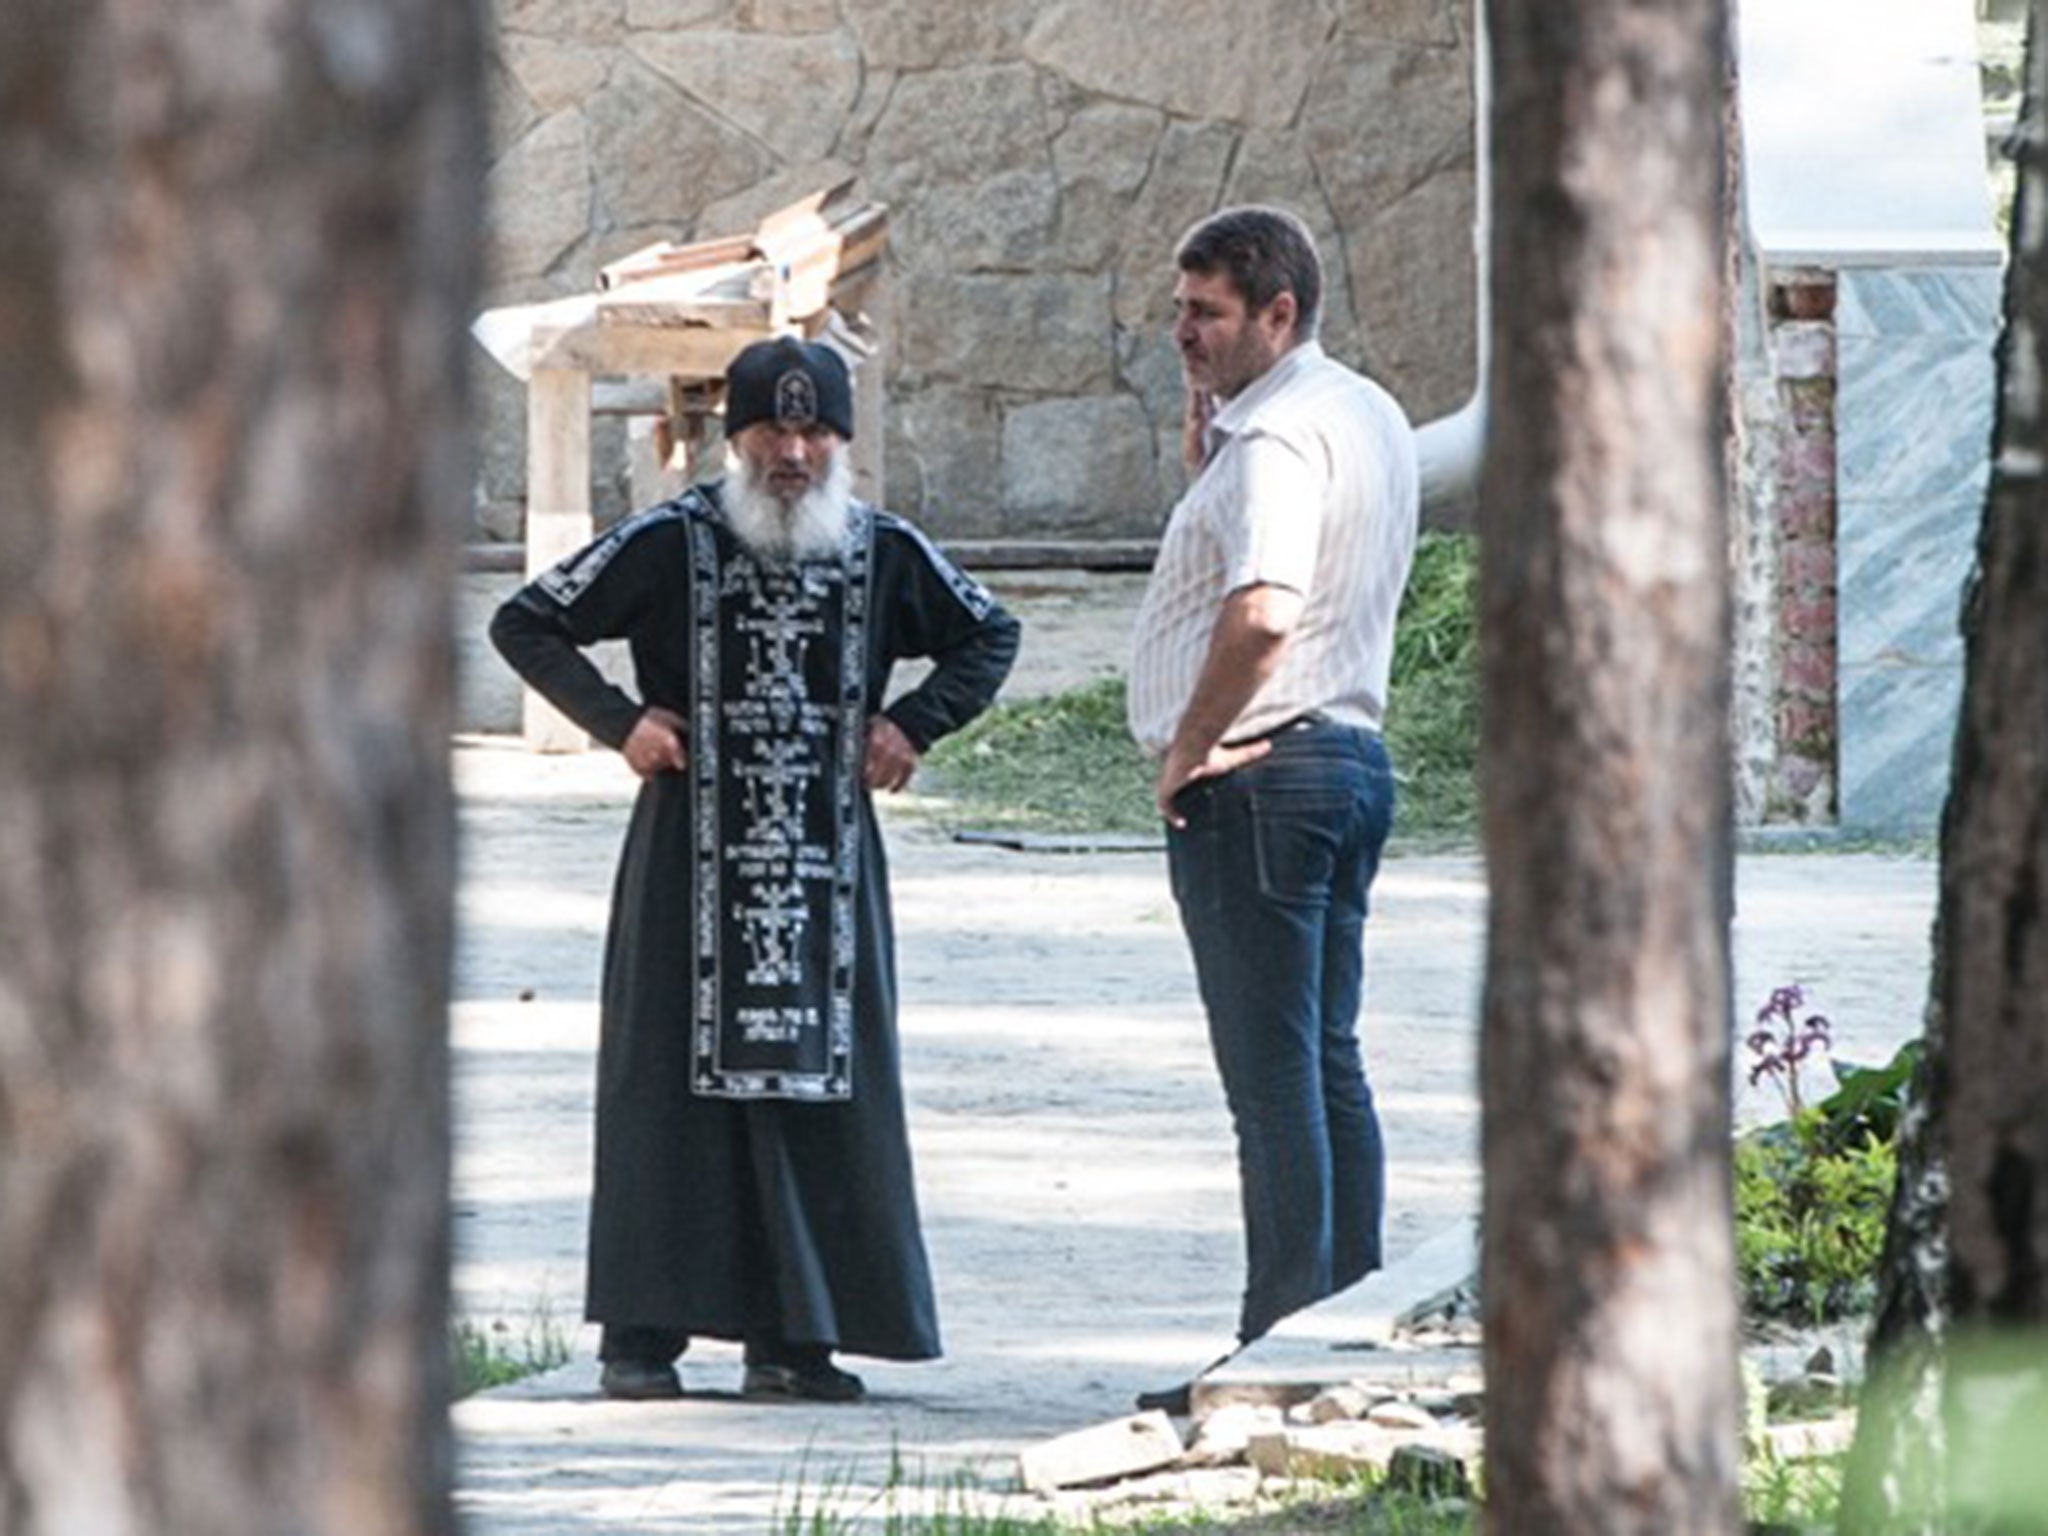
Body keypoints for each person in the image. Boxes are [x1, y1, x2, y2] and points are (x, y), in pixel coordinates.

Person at [491, 336, 1020, 1403]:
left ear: (841, 441)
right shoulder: (666, 542)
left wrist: (910, 725)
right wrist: (618, 722)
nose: (792, 452)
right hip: (685, 863)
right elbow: (526, 621)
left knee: (816, 1092)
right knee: (663, 1092)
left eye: (814, 430)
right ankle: (640, 1341)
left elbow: (988, 634)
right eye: (770, 432)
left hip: (827, 874)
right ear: (729, 439)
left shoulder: (883, 549)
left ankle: (796, 1340)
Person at [1126, 206, 1419, 1411]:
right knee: (1325, 1064)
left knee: (1273, 1083)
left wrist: (1190, 746)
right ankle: (1335, 1329)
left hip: (1262, 776)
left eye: (1206, 314)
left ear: (1278, 314)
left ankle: (1271, 1352)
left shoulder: (1280, 441)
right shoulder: (1359, 409)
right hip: (1344, 761)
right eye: (1178, 310)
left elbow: (1262, 608)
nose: (1180, 336)